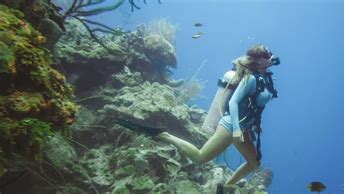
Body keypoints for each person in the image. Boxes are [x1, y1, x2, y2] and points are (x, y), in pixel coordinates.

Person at [114, 44, 279, 189]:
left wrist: (248, 128)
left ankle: (227, 187)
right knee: (201, 158)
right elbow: (233, 103)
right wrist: (236, 128)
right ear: (259, 61)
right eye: (267, 55)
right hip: (231, 127)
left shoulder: (266, 79)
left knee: (254, 163)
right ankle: (162, 135)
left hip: (243, 128)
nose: (271, 57)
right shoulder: (250, 79)